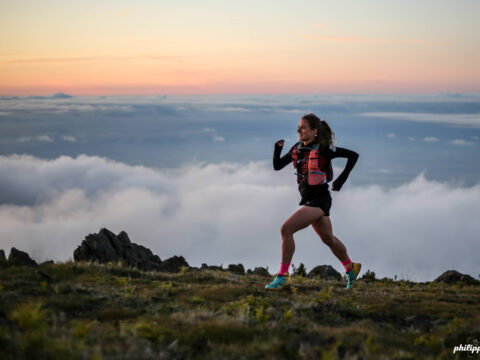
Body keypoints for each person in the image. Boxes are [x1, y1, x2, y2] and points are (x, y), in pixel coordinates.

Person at [265, 113, 361, 290]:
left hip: (320, 200)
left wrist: (341, 180)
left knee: (286, 229)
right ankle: (351, 267)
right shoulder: (297, 148)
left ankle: (282, 276)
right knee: (328, 239)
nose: (298, 130)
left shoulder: (323, 149)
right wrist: (277, 148)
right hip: (309, 199)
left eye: (303, 127)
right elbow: (277, 166)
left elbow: (353, 156)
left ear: (314, 131)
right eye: (299, 127)